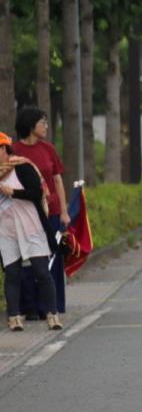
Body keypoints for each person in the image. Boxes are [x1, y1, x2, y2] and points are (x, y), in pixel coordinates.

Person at [0, 132, 61, 332]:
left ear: (6, 150)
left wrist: (13, 192)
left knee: (42, 271)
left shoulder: (22, 167)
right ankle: (14, 316)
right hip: (6, 230)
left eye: (0, 149)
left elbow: (37, 192)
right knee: (12, 273)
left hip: (30, 226)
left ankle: (52, 314)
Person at [12, 107, 69, 320]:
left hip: (50, 212)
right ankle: (29, 306)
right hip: (25, 212)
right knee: (28, 258)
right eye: (42, 122)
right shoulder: (13, 151)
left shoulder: (48, 149)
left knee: (51, 257)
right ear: (30, 125)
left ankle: (50, 306)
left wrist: (63, 210)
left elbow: (57, 180)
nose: (46, 126)